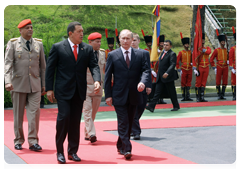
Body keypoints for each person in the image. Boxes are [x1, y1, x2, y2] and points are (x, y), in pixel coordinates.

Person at [45, 22, 101, 164]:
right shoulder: (58, 47)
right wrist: (49, 89)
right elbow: (50, 69)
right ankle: (59, 152)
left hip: (79, 91)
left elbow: (94, 66)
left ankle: (72, 152)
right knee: (63, 118)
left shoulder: (87, 49)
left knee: (75, 121)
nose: (82, 34)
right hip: (63, 91)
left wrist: (97, 80)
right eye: (79, 31)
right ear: (70, 33)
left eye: (83, 31)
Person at [104, 29, 150, 160]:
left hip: (135, 93)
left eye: (128, 38)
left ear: (132, 40)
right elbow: (107, 76)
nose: (125, 41)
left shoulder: (140, 54)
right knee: (123, 121)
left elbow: (146, 70)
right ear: (119, 39)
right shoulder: (113, 55)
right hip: (118, 94)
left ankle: (120, 143)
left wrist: (143, 82)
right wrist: (108, 95)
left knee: (130, 122)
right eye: (123, 38)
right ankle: (127, 148)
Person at [4, 19, 46, 151]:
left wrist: (44, 84)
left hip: (35, 85)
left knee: (34, 114)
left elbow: (43, 67)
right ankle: (18, 140)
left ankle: (33, 141)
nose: (30, 30)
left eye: (31, 27)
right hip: (18, 84)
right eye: (27, 28)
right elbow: (7, 65)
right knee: (18, 114)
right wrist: (7, 81)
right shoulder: (13, 44)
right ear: (20, 30)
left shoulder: (38, 44)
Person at [83, 32, 106, 143]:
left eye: (100, 41)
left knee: (93, 113)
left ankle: (87, 132)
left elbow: (104, 70)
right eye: (97, 42)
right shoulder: (84, 53)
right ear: (90, 42)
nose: (99, 44)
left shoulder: (102, 54)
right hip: (86, 86)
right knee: (87, 111)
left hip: (98, 87)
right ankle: (92, 133)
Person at [146, 40, 180, 112]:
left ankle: (176, 106)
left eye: (167, 45)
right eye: (164, 45)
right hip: (160, 76)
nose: (165, 46)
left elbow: (172, 64)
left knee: (172, 92)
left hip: (168, 77)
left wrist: (167, 73)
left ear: (170, 46)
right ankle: (151, 106)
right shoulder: (162, 53)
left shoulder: (172, 54)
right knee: (157, 92)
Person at [130, 33, 152, 140]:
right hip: (130, 86)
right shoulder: (126, 53)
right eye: (131, 40)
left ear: (138, 41)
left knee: (141, 106)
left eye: (135, 40)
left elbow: (147, 70)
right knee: (133, 108)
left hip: (142, 85)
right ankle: (136, 131)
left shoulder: (144, 53)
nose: (133, 42)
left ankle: (131, 125)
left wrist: (148, 85)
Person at [192, 33, 211, 102]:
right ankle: (198, 97)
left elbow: (209, 52)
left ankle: (202, 97)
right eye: (201, 40)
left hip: (206, 67)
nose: (202, 41)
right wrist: (194, 68)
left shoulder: (207, 48)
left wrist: (204, 50)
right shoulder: (196, 50)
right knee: (198, 82)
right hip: (199, 67)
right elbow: (194, 59)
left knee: (203, 82)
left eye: (203, 40)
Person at [210, 30, 228, 100]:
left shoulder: (227, 50)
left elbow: (231, 57)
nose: (223, 43)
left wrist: (229, 61)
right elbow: (211, 59)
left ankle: (223, 94)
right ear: (220, 43)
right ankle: (219, 94)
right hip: (219, 66)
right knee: (218, 81)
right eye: (222, 42)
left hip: (226, 66)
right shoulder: (217, 50)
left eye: (224, 42)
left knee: (225, 80)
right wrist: (214, 67)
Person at [176, 33, 193, 101]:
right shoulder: (181, 52)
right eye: (186, 44)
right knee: (183, 83)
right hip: (183, 69)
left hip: (190, 68)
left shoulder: (190, 52)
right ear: (183, 45)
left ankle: (188, 96)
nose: (187, 45)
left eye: (187, 44)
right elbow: (177, 61)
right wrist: (179, 69)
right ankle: (183, 96)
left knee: (189, 82)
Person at [229, 27, 238, 100]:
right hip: (235, 67)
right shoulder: (233, 48)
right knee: (235, 82)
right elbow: (231, 58)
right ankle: (235, 95)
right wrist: (231, 68)